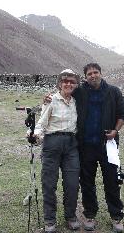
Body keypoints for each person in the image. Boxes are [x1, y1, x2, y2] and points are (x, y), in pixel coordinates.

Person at [44, 63, 124, 232]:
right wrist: (48, 98)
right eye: (89, 73)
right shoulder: (80, 91)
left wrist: (115, 130)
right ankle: (90, 215)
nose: (93, 75)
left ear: (101, 73)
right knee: (87, 182)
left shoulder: (114, 92)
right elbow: (64, 90)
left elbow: (122, 114)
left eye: (96, 72)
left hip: (108, 145)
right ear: (86, 77)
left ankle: (116, 216)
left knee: (111, 180)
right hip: (85, 146)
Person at [31, 69, 81, 233]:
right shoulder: (51, 100)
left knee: (72, 183)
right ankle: (50, 220)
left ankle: (71, 216)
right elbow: (41, 123)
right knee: (49, 183)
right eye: (65, 81)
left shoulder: (76, 101)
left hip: (72, 145)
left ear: (76, 85)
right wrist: (34, 135)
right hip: (52, 143)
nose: (68, 84)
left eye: (71, 81)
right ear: (59, 83)